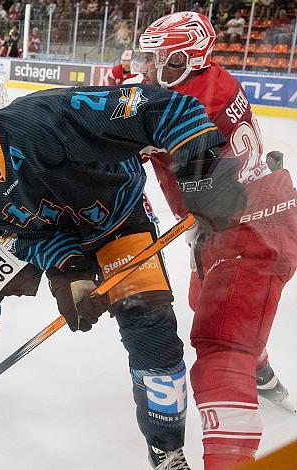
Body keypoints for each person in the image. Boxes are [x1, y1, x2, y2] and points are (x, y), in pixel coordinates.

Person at [0, 69, 247, 469]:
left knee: (150, 334)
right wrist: (70, 273)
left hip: (119, 222)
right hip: (57, 234)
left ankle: (165, 448)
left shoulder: (48, 116)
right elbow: (26, 235)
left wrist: (203, 172)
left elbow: (165, 107)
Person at [137, 12, 297, 470]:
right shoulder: (212, 79)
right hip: (236, 215)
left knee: (220, 348)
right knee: (201, 299)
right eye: (147, 58)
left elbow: (135, 133)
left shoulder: (186, 107)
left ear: (187, 59)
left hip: (247, 229)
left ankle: (245, 386)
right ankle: (260, 369)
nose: (147, 68)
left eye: (157, 59)